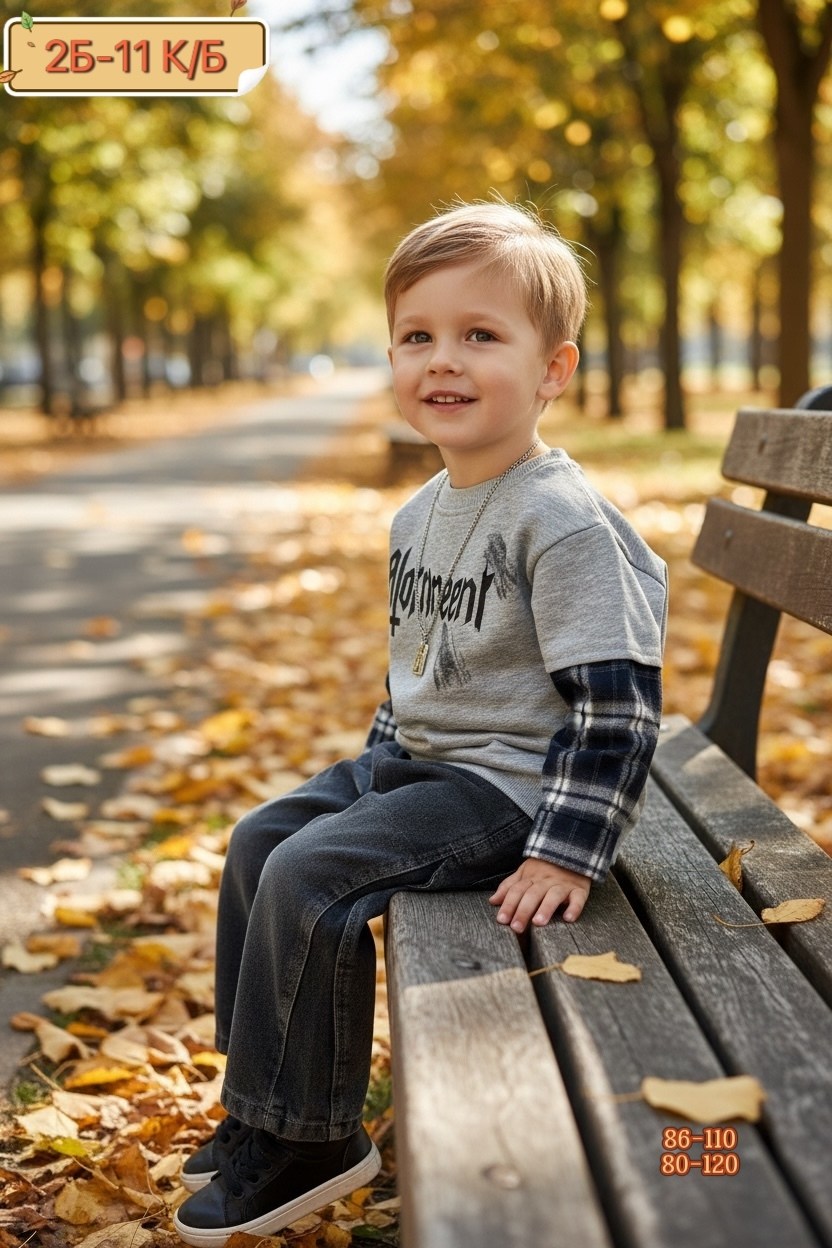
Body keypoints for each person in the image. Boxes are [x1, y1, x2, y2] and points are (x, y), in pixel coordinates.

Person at [173, 200, 667, 1247]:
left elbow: (617, 706)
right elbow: (422, 668)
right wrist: (370, 767)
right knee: (263, 840)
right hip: (424, 767)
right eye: (417, 336)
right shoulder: (420, 511)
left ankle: (310, 1135)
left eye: (481, 335)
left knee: (314, 876)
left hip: (510, 790)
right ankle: (258, 1095)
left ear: (553, 370)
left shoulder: (563, 522)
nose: (442, 360)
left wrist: (569, 850)